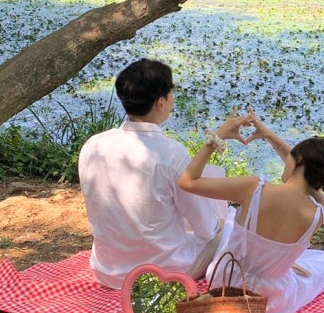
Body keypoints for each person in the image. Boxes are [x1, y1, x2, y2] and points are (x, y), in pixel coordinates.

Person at [178, 108, 324, 313]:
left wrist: (218, 136)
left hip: (227, 282)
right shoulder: (320, 213)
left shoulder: (253, 188)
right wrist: (271, 137)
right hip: (273, 301)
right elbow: (309, 180)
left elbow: (187, 181)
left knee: (231, 220)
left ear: (297, 160)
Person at [78, 58, 226, 288]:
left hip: (107, 270)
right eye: (171, 94)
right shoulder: (171, 154)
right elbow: (206, 228)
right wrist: (221, 221)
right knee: (226, 230)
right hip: (161, 272)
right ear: (160, 102)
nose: (173, 100)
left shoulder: (93, 146)